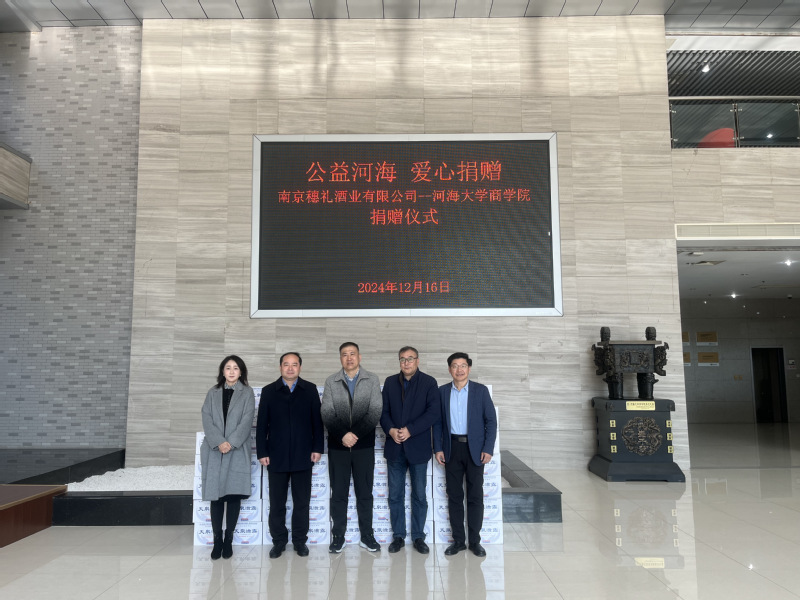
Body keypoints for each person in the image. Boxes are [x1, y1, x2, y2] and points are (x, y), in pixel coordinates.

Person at [256, 352, 323, 559]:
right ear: (280, 367)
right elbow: (262, 425)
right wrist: (262, 451)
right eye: (286, 364)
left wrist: (317, 448)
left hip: (303, 454)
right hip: (276, 455)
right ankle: (279, 541)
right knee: (277, 502)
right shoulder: (269, 391)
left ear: (300, 367)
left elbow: (317, 422)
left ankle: (300, 541)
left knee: (302, 502)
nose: (290, 368)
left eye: (294, 364)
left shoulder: (310, 389)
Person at [321, 342, 383, 553]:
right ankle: (338, 536)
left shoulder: (372, 379)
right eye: (344, 354)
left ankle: (367, 536)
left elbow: (375, 410)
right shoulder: (331, 381)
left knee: (365, 493)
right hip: (338, 447)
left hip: (363, 447)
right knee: (338, 493)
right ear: (340, 358)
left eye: (352, 354)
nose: (349, 358)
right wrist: (343, 435)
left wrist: (354, 434)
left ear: (359, 357)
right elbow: (327, 412)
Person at [433, 352, 497, 557]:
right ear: (449, 369)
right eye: (455, 366)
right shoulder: (442, 392)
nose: (459, 369)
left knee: (475, 496)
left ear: (469, 368)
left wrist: (488, 448)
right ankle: (459, 541)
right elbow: (437, 423)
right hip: (451, 448)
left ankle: (475, 541)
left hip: (475, 450)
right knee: (454, 496)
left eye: (463, 365)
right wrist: (438, 448)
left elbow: (491, 421)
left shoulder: (480, 391)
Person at [380, 346, 439, 554]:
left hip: (418, 447)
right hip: (395, 447)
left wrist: (410, 430)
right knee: (395, 495)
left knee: (419, 495)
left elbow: (433, 413)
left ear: (418, 361)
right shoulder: (390, 382)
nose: (406, 363)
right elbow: (383, 412)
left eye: (410, 359)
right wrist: (391, 430)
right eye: (402, 359)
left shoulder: (429, 382)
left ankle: (418, 536)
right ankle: (398, 536)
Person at [200, 355, 256, 560]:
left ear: (241, 372)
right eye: (228, 368)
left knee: (233, 495)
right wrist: (219, 441)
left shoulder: (247, 393)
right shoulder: (212, 392)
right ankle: (217, 540)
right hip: (215, 450)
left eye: (235, 368)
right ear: (222, 372)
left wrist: (230, 442)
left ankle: (229, 539)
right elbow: (206, 417)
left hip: (236, 450)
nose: (231, 371)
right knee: (216, 497)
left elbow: (247, 420)